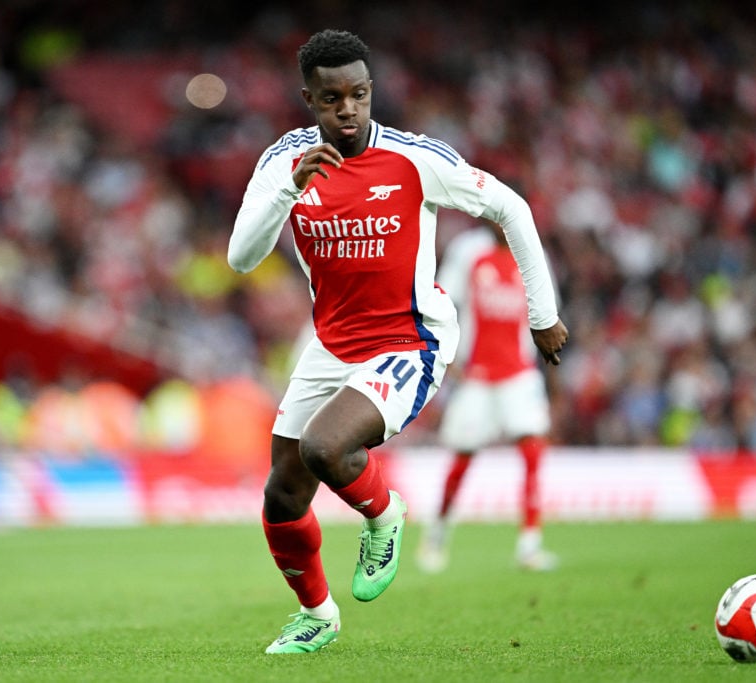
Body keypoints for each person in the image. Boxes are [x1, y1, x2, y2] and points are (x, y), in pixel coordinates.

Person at [228, 29, 568, 654]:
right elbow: (241, 257)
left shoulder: (416, 159)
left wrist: (541, 315)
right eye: (332, 100)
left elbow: (512, 210)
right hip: (332, 344)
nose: (348, 110)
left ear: (371, 92)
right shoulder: (282, 163)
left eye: (358, 95)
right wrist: (290, 187)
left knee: (325, 448)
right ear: (309, 99)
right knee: (282, 493)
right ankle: (317, 615)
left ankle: (384, 512)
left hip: (410, 339)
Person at [417, 221, 561, 574]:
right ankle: (436, 535)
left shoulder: (532, 252)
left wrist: (549, 371)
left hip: (519, 372)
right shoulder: (469, 252)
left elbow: (547, 314)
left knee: (532, 451)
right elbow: (442, 300)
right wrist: (448, 356)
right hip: (477, 374)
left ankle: (530, 544)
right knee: (463, 456)